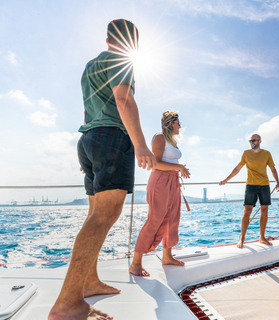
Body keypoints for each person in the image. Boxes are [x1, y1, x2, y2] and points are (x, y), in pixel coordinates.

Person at [49, 19, 156, 320]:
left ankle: (88, 282)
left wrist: (93, 153)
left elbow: (93, 106)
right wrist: (141, 144)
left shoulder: (90, 65)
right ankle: (68, 305)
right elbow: (123, 98)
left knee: (95, 215)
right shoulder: (122, 60)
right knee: (105, 216)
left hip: (89, 140)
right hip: (111, 138)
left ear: (107, 38)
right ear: (132, 42)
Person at [129, 111, 190, 277]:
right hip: (160, 181)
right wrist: (179, 167)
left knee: (172, 218)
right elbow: (155, 164)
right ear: (170, 123)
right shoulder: (159, 137)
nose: (180, 125)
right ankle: (136, 263)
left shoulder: (172, 141)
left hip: (173, 181)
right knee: (155, 219)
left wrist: (179, 169)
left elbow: (170, 161)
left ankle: (167, 257)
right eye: (178, 122)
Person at [220, 134, 279, 248]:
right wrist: (226, 180)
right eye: (250, 141)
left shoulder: (267, 154)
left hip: (264, 185)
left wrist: (277, 182)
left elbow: (273, 169)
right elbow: (238, 168)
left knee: (264, 211)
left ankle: (262, 237)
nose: (251, 142)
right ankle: (242, 238)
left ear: (259, 141)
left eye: (253, 140)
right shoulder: (246, 153)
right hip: (251, 186)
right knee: (247, 211)